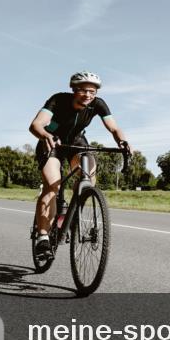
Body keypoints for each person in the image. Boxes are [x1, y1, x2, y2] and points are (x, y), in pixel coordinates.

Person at [28, 71, 130, 257]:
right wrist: (46, 135)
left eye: (92, 92)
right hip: (52, 142)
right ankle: (43, 237)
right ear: (73, 90)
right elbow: (36, 125)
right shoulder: (58, 100)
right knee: (53, 185)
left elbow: (114, 127)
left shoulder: (98, 104)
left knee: (88, 178)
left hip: (76, 142)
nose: (88, 95)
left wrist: (122, 142)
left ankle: (72, 213)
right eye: (83, 90)